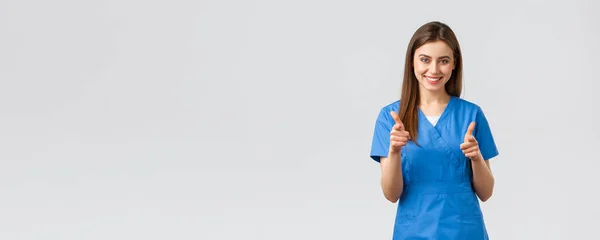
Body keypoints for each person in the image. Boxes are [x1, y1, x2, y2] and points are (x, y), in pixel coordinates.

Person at [369, 21, 499, 239]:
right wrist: (393, 151)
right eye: (425, 60)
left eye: (444, 61)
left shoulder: (471, 115)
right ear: (412, 61)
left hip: (464, 231)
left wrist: (476, 158)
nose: (434, 70)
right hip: (414, 230)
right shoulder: (390, 118)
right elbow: (391, 195)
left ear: (454, 64)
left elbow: (486, 193)